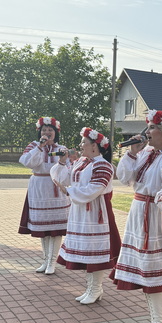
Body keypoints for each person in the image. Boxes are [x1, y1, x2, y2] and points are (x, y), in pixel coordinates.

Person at [111, 109, 162, 323]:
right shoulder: (144, 153)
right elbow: (125, 178)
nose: (148, 131)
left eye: (153, 128)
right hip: (137, 212)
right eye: (148, 127)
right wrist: (132, 153)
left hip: (151, 216)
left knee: (152, 273)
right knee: (144, 272)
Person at [51, 128, 121, 304]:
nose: (80, 145)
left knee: (95, 252)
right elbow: (63, 179)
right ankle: (92, 288)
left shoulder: (103, 165)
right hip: (81, 211)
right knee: (86, 252)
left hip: (96, 213)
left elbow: (94, 190)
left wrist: (69, 191)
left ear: (94, 146)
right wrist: (62, 162)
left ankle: (95, 288)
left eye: (84, 142)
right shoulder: (81, 162)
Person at [18, 116, 71, 274]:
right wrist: (40, 147)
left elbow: (68, 169)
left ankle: (52, 262)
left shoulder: (62, 148)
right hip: (39, 187)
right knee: (43, 228)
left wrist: (64, 160)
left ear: (56, 132)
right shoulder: (34, 146)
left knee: (55, 228)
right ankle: (46, 259)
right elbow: (27, 162)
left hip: (56, 188)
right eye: (44, 130)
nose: (47, 133)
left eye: (50, 130)